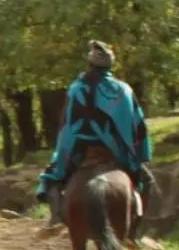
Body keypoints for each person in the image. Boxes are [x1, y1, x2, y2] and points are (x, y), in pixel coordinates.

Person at [37, 39, 155, 229]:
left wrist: (64, 150)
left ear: (89, 64)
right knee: (147, 181)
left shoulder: (77, 89)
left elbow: (68, 125)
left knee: (51, 177)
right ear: (111, 66)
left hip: (81, 151)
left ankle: (56, 219)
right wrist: (141, 155)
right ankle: (134, 232)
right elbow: (138, 126)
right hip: (118, 153)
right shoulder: (124, 90)